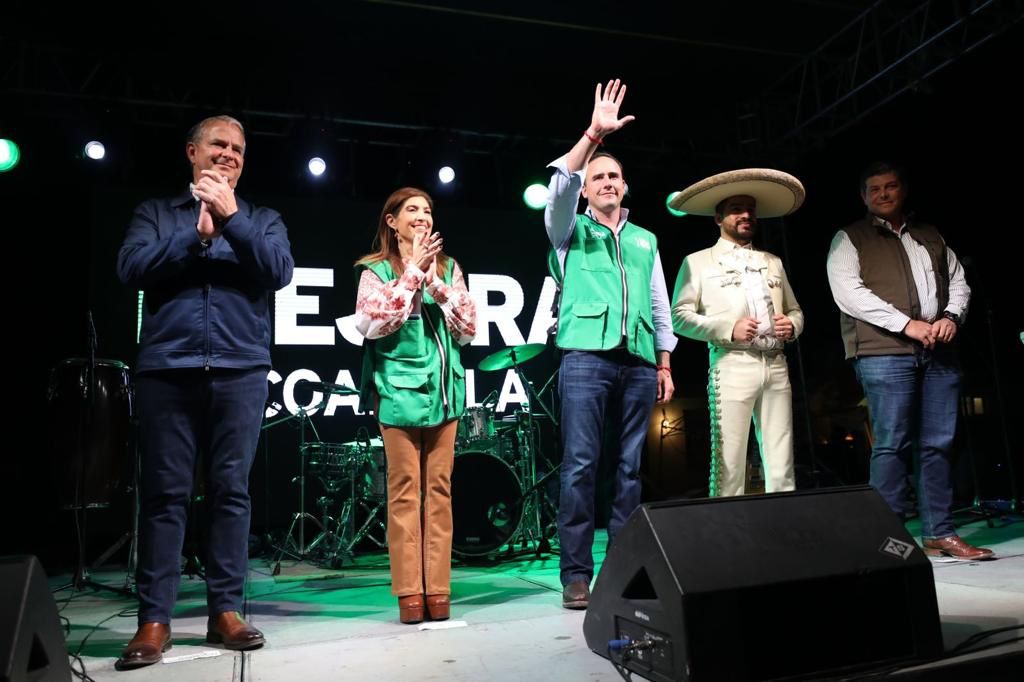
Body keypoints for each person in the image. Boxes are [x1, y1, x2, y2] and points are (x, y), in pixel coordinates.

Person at [115, 115, 294, 669]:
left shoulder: (262, 219)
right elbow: (130, 268)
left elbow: (279, 270)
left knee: (231, 494)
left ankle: (225, 612)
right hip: (168, 370)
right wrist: (195, 235)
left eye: (238, 148)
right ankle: (155, 620)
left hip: (241, 370)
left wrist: (231, 219)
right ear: (192, 152)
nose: (229, 154)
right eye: (219, 144)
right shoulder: (156, 214)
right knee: (164, 496)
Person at [544, 80, 676, 610]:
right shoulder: (568, 229)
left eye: (613, 176)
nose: (605, 182)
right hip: (585, 358)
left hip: (639, 361)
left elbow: (659, 303)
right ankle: (576, 574)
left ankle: (624, 570)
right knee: (580, 465)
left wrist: (664, 362)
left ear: (625, 186)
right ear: (586, 188)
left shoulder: (645, 240)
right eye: (597, 177)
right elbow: (558, 187)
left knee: (630, 469)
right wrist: (593, 136)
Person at [826, 161, 993, 561]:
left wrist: (951, 317)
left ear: (902, 190)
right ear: (863, 197)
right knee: (892, 444)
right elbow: (848, 293)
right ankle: (889, 541)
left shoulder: (930, 235)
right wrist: (908, 325)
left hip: (939, 351)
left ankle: (940, 533)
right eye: (874, 189)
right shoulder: (850, 238)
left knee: (939, 443)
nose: (883, 194)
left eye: (890, 186)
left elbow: (958, 281)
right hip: (884, 352)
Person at [354, 187, 477, 623]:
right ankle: (409, 592)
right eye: (412, 210)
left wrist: (435, 284)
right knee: (405, 493)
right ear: (392, 221)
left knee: (440, 492)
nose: (422, 216)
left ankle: (438, 590)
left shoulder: (449, 268)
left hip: (445, 394)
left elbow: (468, 329)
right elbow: (369, 324)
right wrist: (409, 277)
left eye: (427, 210)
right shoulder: (375, 270)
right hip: (398, 393)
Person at [670, 169, 805, 497]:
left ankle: (784, 521)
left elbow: (796, 310)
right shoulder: (698, 262)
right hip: (732, 364)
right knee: (728, 461)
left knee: (782, 458)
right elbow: (679, 317)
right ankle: (725, 525)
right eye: (736, 209)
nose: (746, 215)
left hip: (776, 363)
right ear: (718, 218)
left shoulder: (772, 261)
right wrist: (728, 328)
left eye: (750, 210)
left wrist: (793, 326)